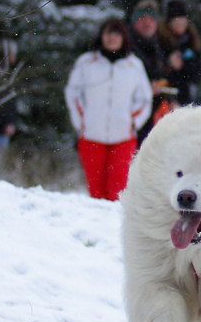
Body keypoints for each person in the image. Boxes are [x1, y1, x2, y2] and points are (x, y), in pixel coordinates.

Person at [65, 16, 152, 200]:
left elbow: (144, 98)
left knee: (117, 191)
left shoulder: (133, 65)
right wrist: (81, 121)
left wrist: (132, 122)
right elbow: (73, 93)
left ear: (123, 38)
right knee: (96, 192)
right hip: (91, 136)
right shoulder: (86, 62)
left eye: (116, 34)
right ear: (101, 36)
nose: (112, 38)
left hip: (123, 138)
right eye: (108, 33)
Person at [129, 0, 170, 139]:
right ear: (134, 22)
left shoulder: (158, 46)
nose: (147, 23)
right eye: (142, 18)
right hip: (133, 120)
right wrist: (147, 88)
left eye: (151, 19)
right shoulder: (127, 47)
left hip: (155, 117)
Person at [160, 0, 201, 106]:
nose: (179, 22)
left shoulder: (191, 41)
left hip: (186, 98)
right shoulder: (161, 42)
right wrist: (168, 64)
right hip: (167, 98)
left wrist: (186, 65)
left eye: (182, 19)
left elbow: (197, 73)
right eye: (176, 20)